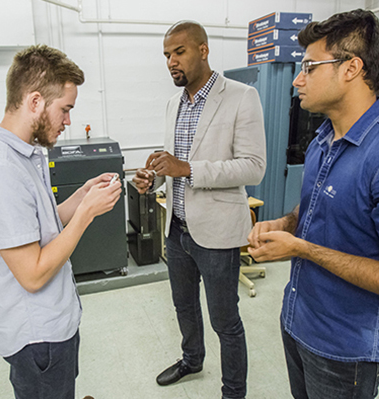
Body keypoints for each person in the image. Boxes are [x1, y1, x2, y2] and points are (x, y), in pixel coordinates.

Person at [247, 9, 379, 399]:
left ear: (351, 68)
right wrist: (286, 225)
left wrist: (302, 249)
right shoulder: (323, 140)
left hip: (345, 352)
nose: (298, 79)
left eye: (310, 67)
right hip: (298, 321)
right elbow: (316, 214)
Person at [0, 44, 121, 399]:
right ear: (35, 102)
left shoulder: (24, 155)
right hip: (37, 337)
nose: (68, 122)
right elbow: (32, 274)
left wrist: (80, 196)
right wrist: (86, 214)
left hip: (54, 326)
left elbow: (39, 227)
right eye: (65, 110)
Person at [132, 21, 266, 399]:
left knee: (226, 321)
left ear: (203, 50)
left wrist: (187, 168)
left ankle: (233, 391)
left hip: (218, 232)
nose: (171, 62)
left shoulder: (241, 96)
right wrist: (153, 178)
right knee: (184, 307)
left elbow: (254, 166)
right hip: (177, 229)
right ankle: (192, 359)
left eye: (179, 52)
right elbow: (173, 165)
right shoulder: (174, 103)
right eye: (166, 56)